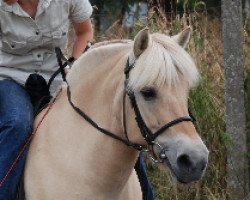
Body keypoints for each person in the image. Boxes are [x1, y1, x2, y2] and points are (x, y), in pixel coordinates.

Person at [0, 0, 93, 199]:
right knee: (17, 122)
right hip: (9, 75)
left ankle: (145, 193)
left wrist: (75, 64)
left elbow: (84, 33)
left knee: (103, 112)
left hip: (56, 75)